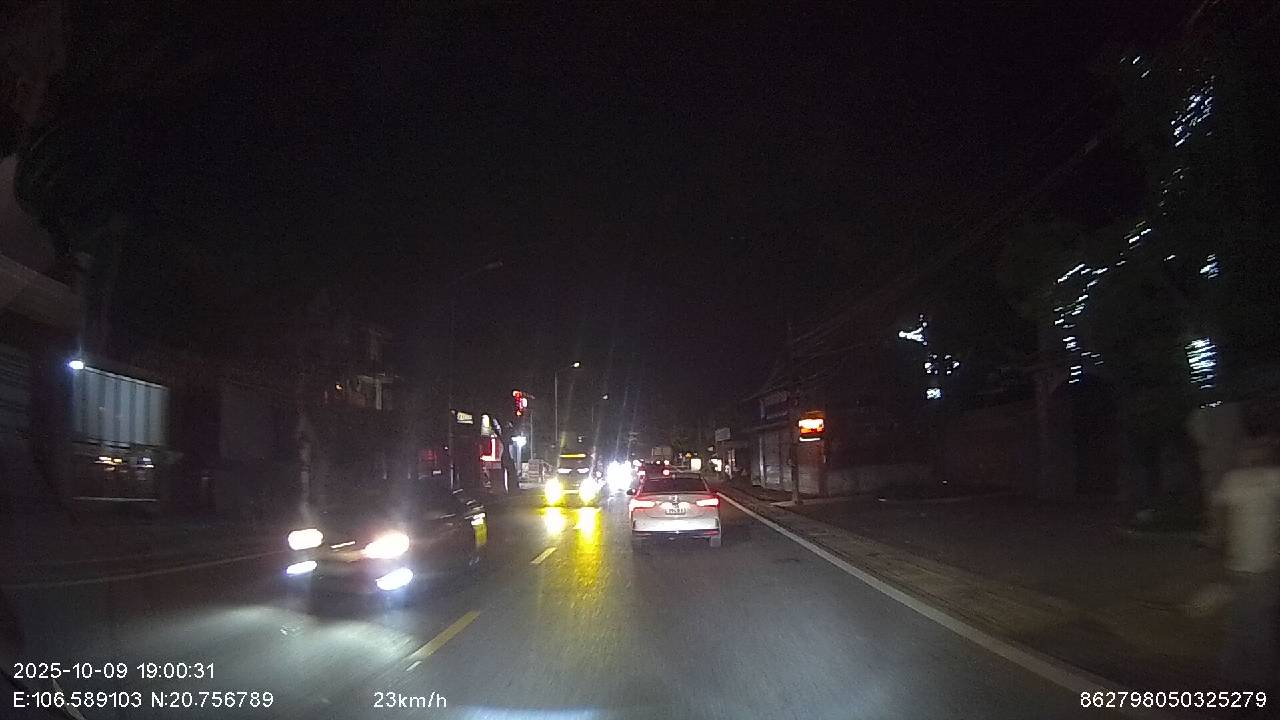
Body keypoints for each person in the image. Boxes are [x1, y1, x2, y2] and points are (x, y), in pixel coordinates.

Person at [1215, 422, 1280, 692]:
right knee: (1241, 622)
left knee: (1259, 627)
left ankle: (1258, 684)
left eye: (1259, 447)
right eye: (1248, 447)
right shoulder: (1234, 480)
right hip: (1238, 567)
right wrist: (1219, 547)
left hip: (1264, 568)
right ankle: (1235, 680)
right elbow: (1221, 515)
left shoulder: (1274, 478)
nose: (1253, 452)